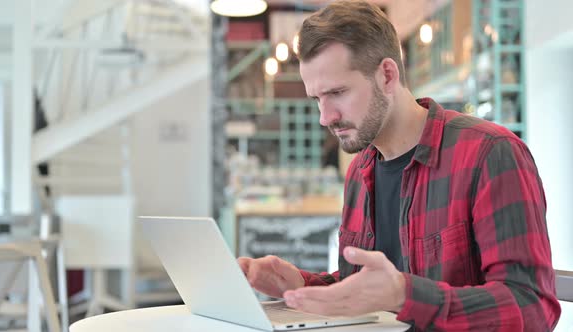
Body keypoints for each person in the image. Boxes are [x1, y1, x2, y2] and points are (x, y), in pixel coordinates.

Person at [237, 0, 561, 330]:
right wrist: (302, 287)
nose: (325, 117)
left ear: (387, 74)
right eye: (317, 98)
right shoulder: (360, 171)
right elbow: (371, 292)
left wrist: (405, 296)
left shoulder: (490, 154)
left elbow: (532, 309)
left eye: (337, 92)